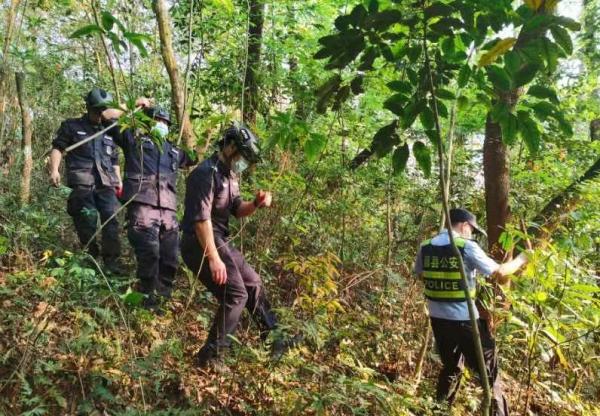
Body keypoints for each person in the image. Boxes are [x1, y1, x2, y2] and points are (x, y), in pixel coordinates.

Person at [180, 122, 290, 367]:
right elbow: (200, 221)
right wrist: (213, 258)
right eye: (242, 156)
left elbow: (237, 210)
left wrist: (257, 203)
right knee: (236, 293)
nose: (243, 163)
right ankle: (212, 356)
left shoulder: (230, 176)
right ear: (229, 147)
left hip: (219, 238)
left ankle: (275, 339)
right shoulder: (205, 174)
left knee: (252, 282)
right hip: (199, 241)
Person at [414, 208, 530, 416]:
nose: (472, 234)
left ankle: (439, 411)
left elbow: (422, 276)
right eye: (472, 230)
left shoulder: (425, 247)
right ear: (464, 225)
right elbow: (500, 273)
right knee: (490, 374)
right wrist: (522, 259)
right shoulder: (466, 247)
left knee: (450, 367)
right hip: (465, 321)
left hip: (438, 320)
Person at [104, 104, 196, 313]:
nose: (161, 125)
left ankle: (161, 300)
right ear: (147, 122)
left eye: (165, 122)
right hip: (142, 207)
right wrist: (134, 106)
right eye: (157, 121)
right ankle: (146, 298)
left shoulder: (173, 150)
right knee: (150, 252)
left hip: (168, 212)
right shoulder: (133, 140)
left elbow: (194, 156)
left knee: (171, 256)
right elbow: (106, 117)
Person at [49, 87, 124, 274]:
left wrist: (119, 180)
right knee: (86, 220)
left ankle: (111, 263)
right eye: (97, 111)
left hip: (106, 183)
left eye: (103, 111)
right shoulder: (72, 126)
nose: (100, 115)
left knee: (111, 221)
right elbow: (58, 148)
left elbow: (114, 159)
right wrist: (54, 170)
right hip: (83, 182)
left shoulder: (109, 131)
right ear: (88, 108)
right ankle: (91, 258)